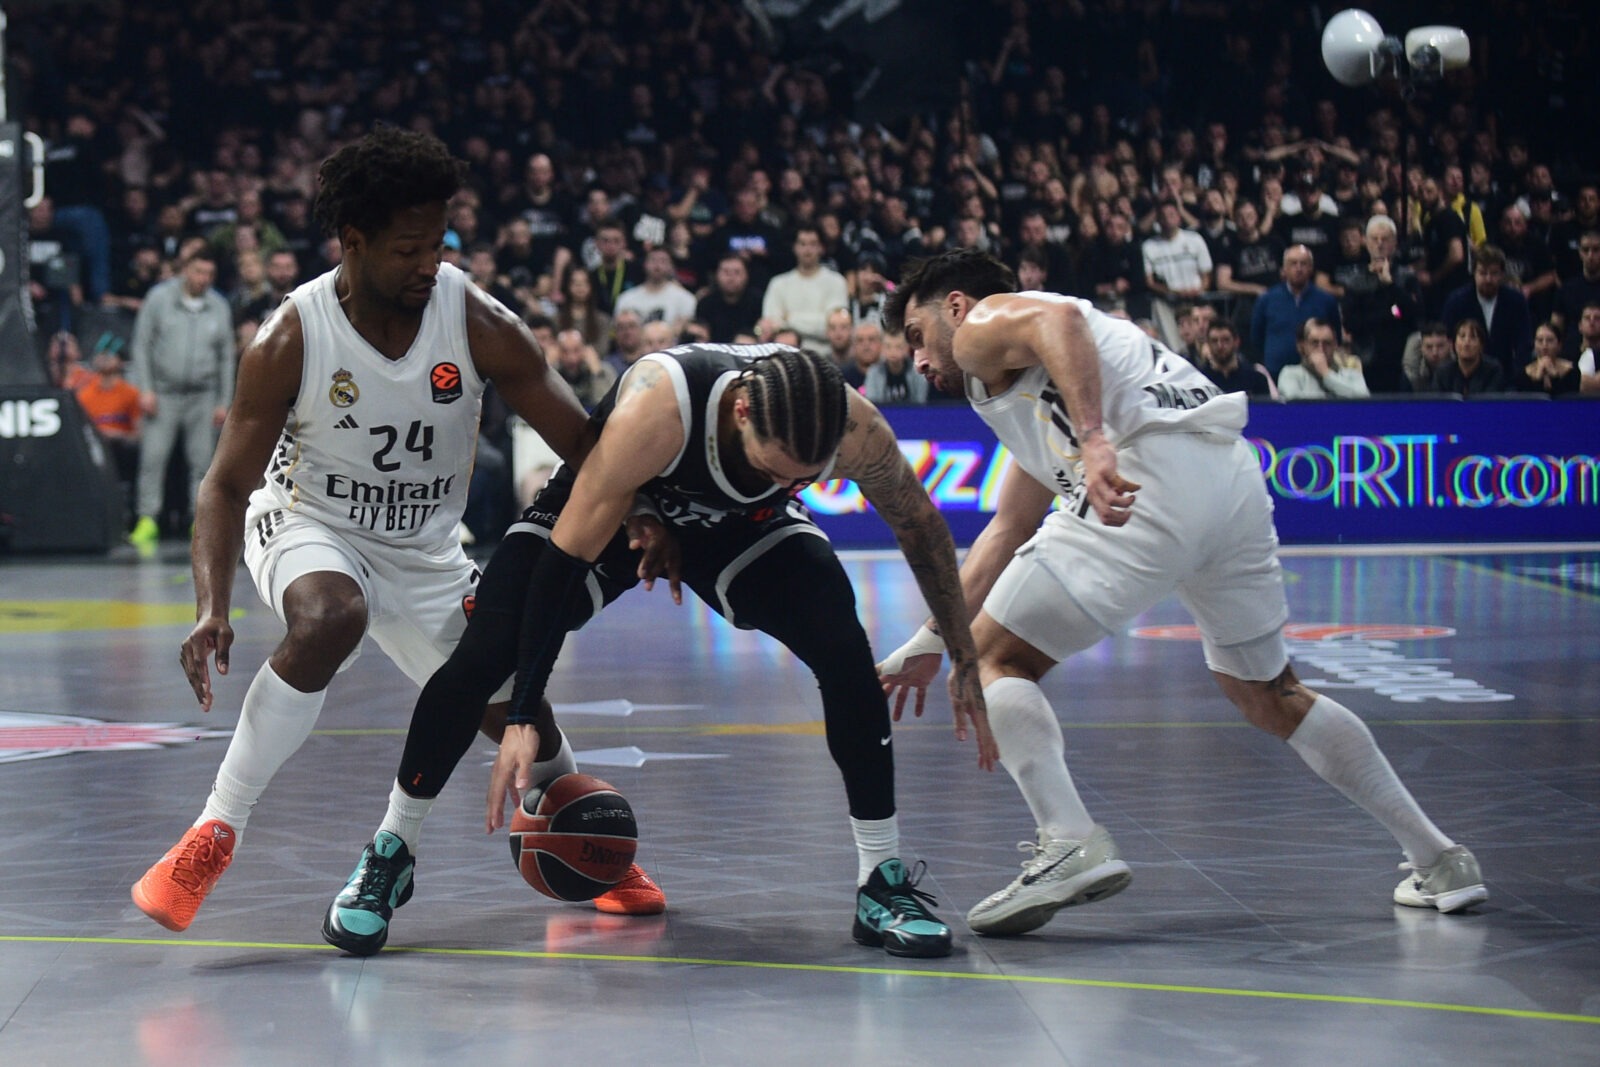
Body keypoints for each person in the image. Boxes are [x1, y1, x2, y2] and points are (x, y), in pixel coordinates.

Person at [881, 249, 1484, 938]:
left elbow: (1058, 319)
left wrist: (1096, 440)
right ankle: (1439, 856)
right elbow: (1008, 525)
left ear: (954, 307)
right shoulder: (1023, 391)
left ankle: (1069, 838)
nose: (921, 359)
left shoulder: (984, 324)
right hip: (1228, 482)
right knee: (1268, 692)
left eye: (916, 335)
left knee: (992, 661)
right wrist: (929, 642)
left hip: (1143, 474)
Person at [323, 344, 992, 960]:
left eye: (799, 476)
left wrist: (960, 653)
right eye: (768, 465)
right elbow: (564, 562)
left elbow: (923, 527)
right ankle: (392, 849)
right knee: (486, 652)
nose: (782, 476)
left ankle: (881, 878)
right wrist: (523, 710)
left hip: (737, 528)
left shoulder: (851, 424)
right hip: (612, 509)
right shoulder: (660, 403)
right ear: (740, 411)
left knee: (843, 642)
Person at [128, 128, 597, 936]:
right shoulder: (291, 335)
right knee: (329, 616)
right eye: (410, 248)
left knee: (527, 722)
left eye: (439, 244)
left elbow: (587, 445)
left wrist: (655, 514)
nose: (430, 263)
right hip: (308, 522)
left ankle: (595, 847)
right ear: (354, 242)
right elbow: (225, 483)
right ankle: (211, 833)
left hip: (425, 553)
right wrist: (212, 606)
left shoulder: (476, 320)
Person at [125, 250, 235, 545]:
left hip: (203, 395)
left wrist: (224, 400)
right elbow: (141, 345)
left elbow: (226, 357)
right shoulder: (159, 299)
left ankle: (199, 520)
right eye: (199, 272)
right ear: (185, 270)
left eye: (209, 274)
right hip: (163, 392)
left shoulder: (218, 305)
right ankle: (147, 518)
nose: (204, 280)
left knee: (203, 462)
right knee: (153, 458)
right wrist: (144, 388)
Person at [1250, 245, 1341, 380]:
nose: (1299, 268)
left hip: (1315, 374)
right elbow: (1256, 338)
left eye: (1304, 264)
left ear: (1311, 268)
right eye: (1293, 263)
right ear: (1284, 268)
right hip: (1275, 373)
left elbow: (1335, 336)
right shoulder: (1266, 299)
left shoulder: (1327, 300)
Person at [1440, 246, 1534, 372]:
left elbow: (1524, 341)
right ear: (1474, 273)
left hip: (1507, 374)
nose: (1488, 279)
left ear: (1502, 274)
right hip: (1466, 373)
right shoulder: (1457, 301)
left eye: (1494, 273)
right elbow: (1448, 339)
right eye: (1483, 273)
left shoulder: (1516, 300)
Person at [761, 224, 850, 357]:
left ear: (821, 248)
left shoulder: (837, 282)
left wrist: (789, 318)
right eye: (802, 244)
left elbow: (834, 329)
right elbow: (769, 326)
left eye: (813, 244)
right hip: (785, 356)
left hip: (826, 356)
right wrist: (817, 321)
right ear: (795, 248)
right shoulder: (778, 284)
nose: (807, 250)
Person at [1276, 319, 1370, 399]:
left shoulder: (1352, 375)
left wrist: (1326, 374)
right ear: (1303, 346)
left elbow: (1364, 401)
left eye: (1327, 343)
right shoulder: (1289, 373)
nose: (1321, 349)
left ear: (1335, 345)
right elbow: (1296, 405)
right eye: (1314, 343)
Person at [1197, 319, 1273, 397]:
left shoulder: (1256, 379)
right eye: (1214, 341)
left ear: (1236, 342)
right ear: (1208, 344)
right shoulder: (1200, 380)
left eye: (1226, 340)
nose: (1220, 346)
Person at [1433, 319, 1506, 396]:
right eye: (1462, 336)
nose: (1466, 343)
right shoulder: (1443, 373)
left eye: (1473, 337)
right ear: (1453, 344)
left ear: (1481, 345)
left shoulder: (1493, 371)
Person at [864, 329, 931, 405]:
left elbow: (921, 404)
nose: (893, 351)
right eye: (888, 347)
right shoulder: (873, 373)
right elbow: (872, 405)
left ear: (907, 349)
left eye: (898, 347)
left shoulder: (918, 372)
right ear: (882, 348)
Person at [1516, 322, 1580, 396]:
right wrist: (1538, 378)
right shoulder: (1523, 374)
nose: (1544, 346)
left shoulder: (1572, 371)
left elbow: (1568, 401)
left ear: (1559, 344)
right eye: (1540, 340)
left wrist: (1554, 375)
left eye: (1550, 340)